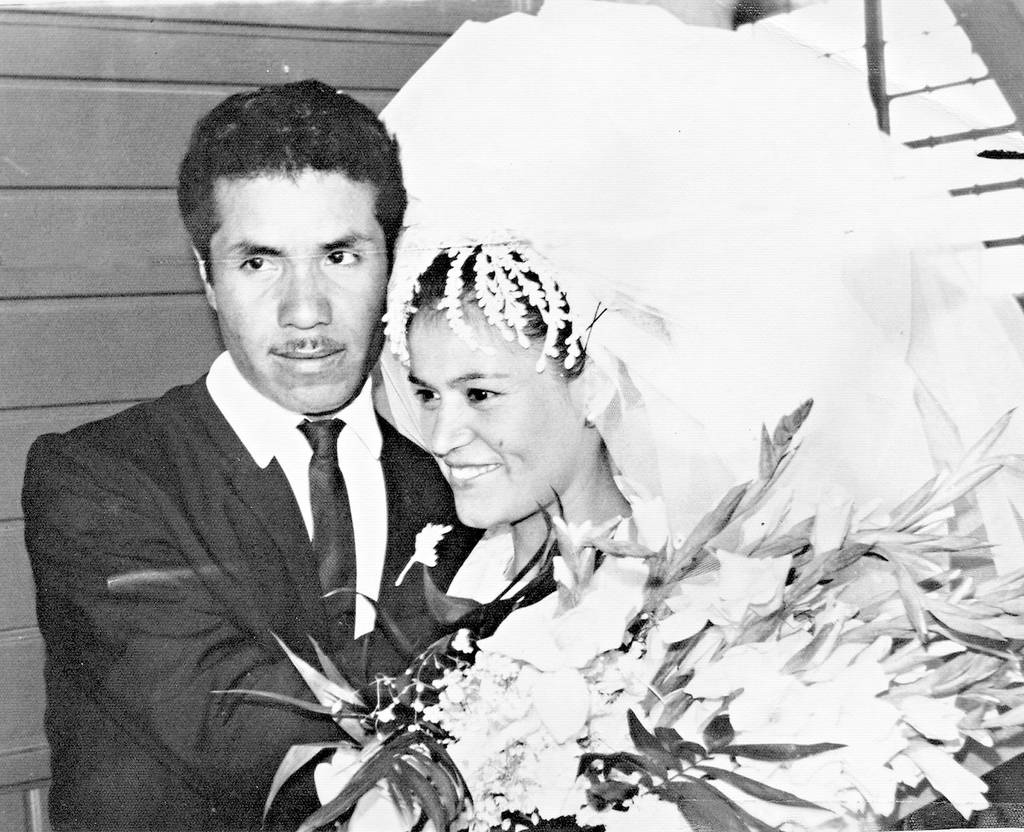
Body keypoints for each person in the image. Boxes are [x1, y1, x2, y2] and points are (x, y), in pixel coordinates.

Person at [21, 80, 478, 832]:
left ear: (391, 262)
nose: (306, 311)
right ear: (206, 275)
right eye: (260, 263)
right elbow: (221, 710)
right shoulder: (99, 477)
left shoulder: (456, 480)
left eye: (340, 255)